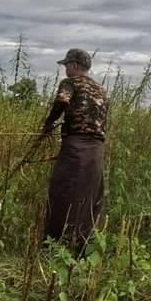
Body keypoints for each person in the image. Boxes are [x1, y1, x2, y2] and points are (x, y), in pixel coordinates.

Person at [39, 48, 109, 252]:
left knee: (63, 193)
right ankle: (80, 247)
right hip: (96, 150)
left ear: (75, 66)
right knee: (88, 197)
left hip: (75, 147)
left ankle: (52, 245)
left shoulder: (70, 83)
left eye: (67, 65)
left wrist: (49, 124)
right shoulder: (101, 89)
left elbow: (62, 100)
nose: (65, 69)